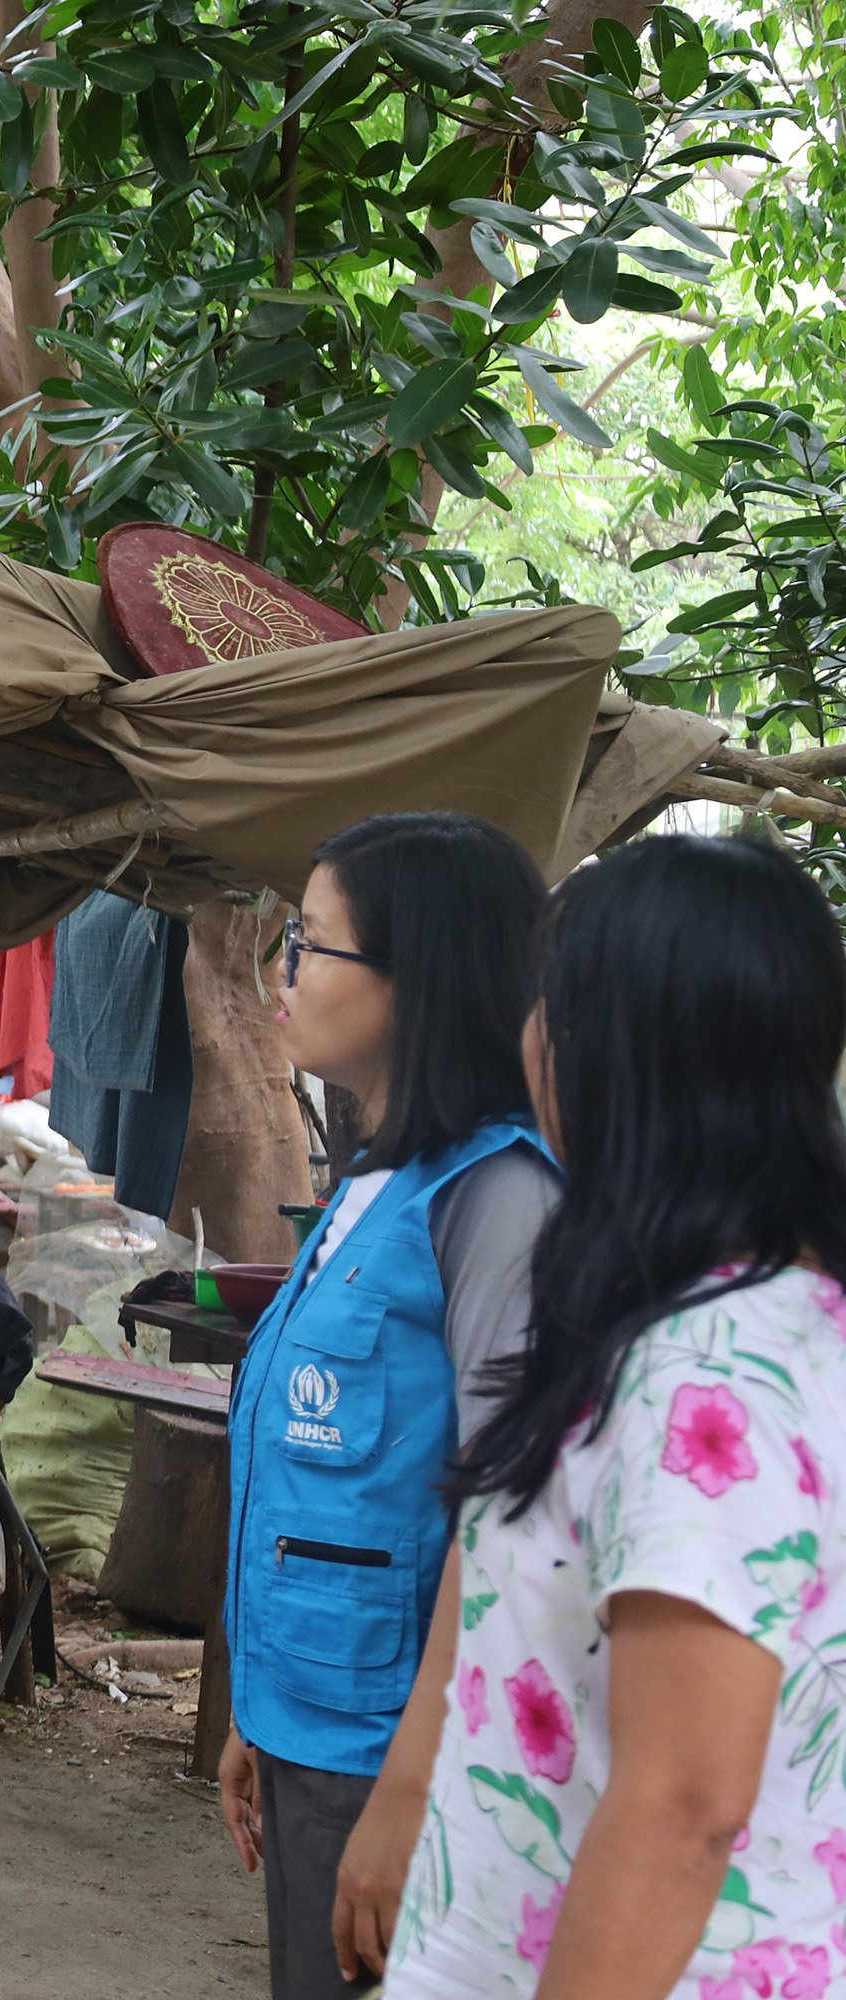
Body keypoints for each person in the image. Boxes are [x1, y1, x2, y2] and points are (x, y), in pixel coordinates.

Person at [370, 835, 846, 1998]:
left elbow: (683, 1802)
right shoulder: (703, 1314)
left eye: (550, 1002)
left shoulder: (710, 1374)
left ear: (612, 1048)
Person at [217, 811, 561, 2000]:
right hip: (312, 1715)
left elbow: (507, 1509)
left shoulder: (499, 1196)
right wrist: (255, 1708)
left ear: (423, 975)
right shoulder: (377, 1177)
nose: (285, 973)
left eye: (310, 943)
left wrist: (414, 1782)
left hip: (401, 1743)